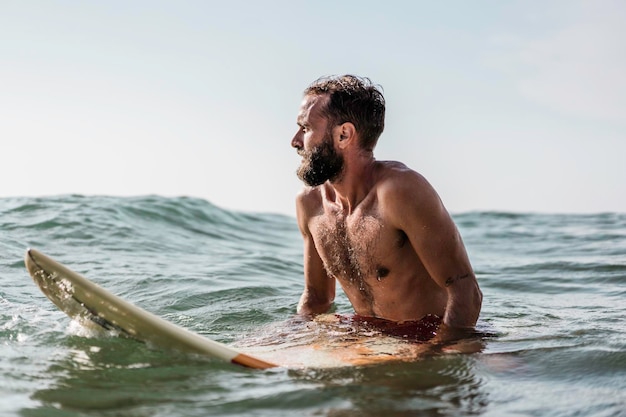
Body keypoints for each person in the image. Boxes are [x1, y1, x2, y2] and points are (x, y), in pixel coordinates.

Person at [290, 74, 482, 342]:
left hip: (429, 338)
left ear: (344, 134)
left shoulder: (398, 191)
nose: (296, 141)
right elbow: (317, 299)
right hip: (369, 337)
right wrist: (293, 336)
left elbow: (465, 290)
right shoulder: (310, 205)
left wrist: (435, 352)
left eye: (305, 128)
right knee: (263, 341)